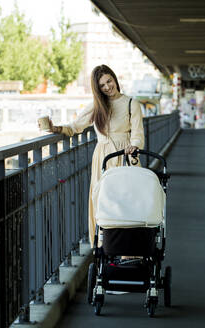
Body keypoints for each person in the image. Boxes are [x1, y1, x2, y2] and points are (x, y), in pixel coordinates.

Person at [39, 64, 144, 247]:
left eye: (109, 81)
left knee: (126, 202)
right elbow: (75, 127)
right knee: (103, 203)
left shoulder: (130, 103)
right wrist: (55, 128)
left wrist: (133, 146)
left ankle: (129, 249)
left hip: (125, 156)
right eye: (102, 85)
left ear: (114, 78)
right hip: (103, 158)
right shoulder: (97, 106)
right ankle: (105, 247)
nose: (107, 87)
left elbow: (137, 134)